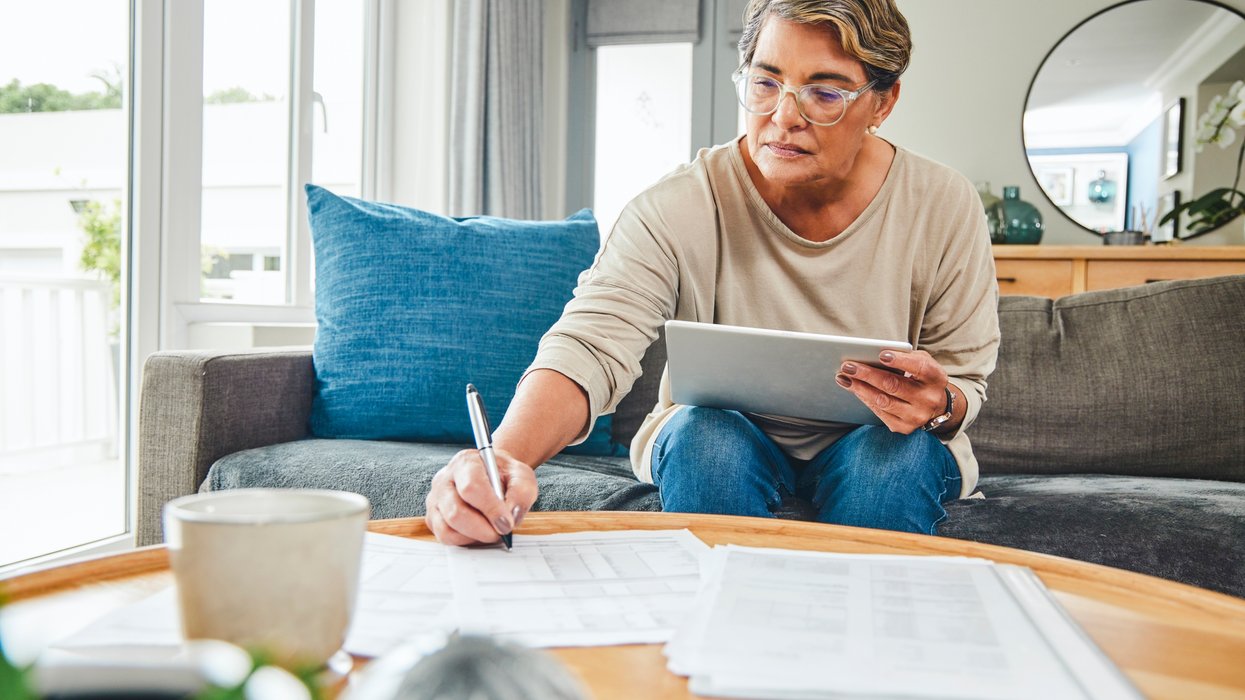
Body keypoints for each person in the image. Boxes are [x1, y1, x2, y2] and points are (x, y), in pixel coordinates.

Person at [426, 0, 999, 546]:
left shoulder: (942, 203)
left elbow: (964, 381)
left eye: (824, 93)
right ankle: (720, 637)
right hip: (719, 437)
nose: (784, 117)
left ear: (883, 102)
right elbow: (591, 344)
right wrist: (502, 460)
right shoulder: (680, 204)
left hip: (881, 442)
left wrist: (940, 403)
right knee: (704, 438)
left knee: (890, 461)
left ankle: (860, 634)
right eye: (765, 83)